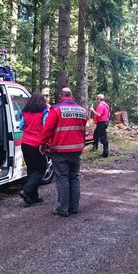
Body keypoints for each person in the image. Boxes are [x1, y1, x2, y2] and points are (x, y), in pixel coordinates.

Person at [39, 87, 87, 217]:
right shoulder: (82, 110)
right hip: (77, 150)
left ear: (61, 96)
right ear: (71, 95)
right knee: (74, 177)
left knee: (62, 178)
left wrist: (42, 144)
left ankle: (62, 208)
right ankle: (74, 207)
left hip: (61, 150)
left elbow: (47, 129)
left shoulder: (56, 110)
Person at [18, 92, 49, 206]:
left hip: (25, 143)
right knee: (41, 169)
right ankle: (26, 190)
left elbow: (21, 126)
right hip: (37, 144)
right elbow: (46, 127)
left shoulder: (26, 112)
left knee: (31, 169)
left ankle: (33, 196)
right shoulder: (44, 112)